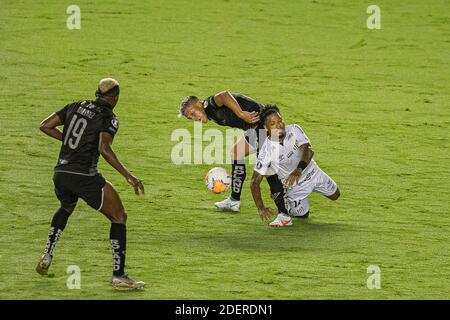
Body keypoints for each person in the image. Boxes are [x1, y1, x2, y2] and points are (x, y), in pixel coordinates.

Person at [36, 78, 145, 289]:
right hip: (84, 176)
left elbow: (45, 126)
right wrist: (128, 175)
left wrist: (69, 141)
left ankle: (47, 254)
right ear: (114, 98)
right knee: (119, 216)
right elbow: (104, 149)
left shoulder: (75, 105)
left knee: (66, 207)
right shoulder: (108, 117)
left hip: (60, 173)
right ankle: (119, 275)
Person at [179, 91, 288, 216]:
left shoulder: (209, 105)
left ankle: (283, 214)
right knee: (237, 152)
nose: (194, 119)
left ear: (199, 104)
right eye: (190, 118)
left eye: (193, 113)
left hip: (263, 128)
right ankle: (234, 201)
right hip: (255, 129)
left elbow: (224, 95)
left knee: (268, 171)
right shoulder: (210, 113)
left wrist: (241, 114)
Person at [250, 106, 340, 227]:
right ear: (266, 128)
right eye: (273, 123)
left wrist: (298, 170)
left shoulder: (294, 129)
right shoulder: (266, 151)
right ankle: (286, 202)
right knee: (302, 215)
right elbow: (254, 182)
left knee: (336, 195)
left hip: (313, 172)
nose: (279, 125)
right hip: (294, 184)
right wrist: (260, 208)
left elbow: (308, 150)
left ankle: (288, 197)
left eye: (280, 120)